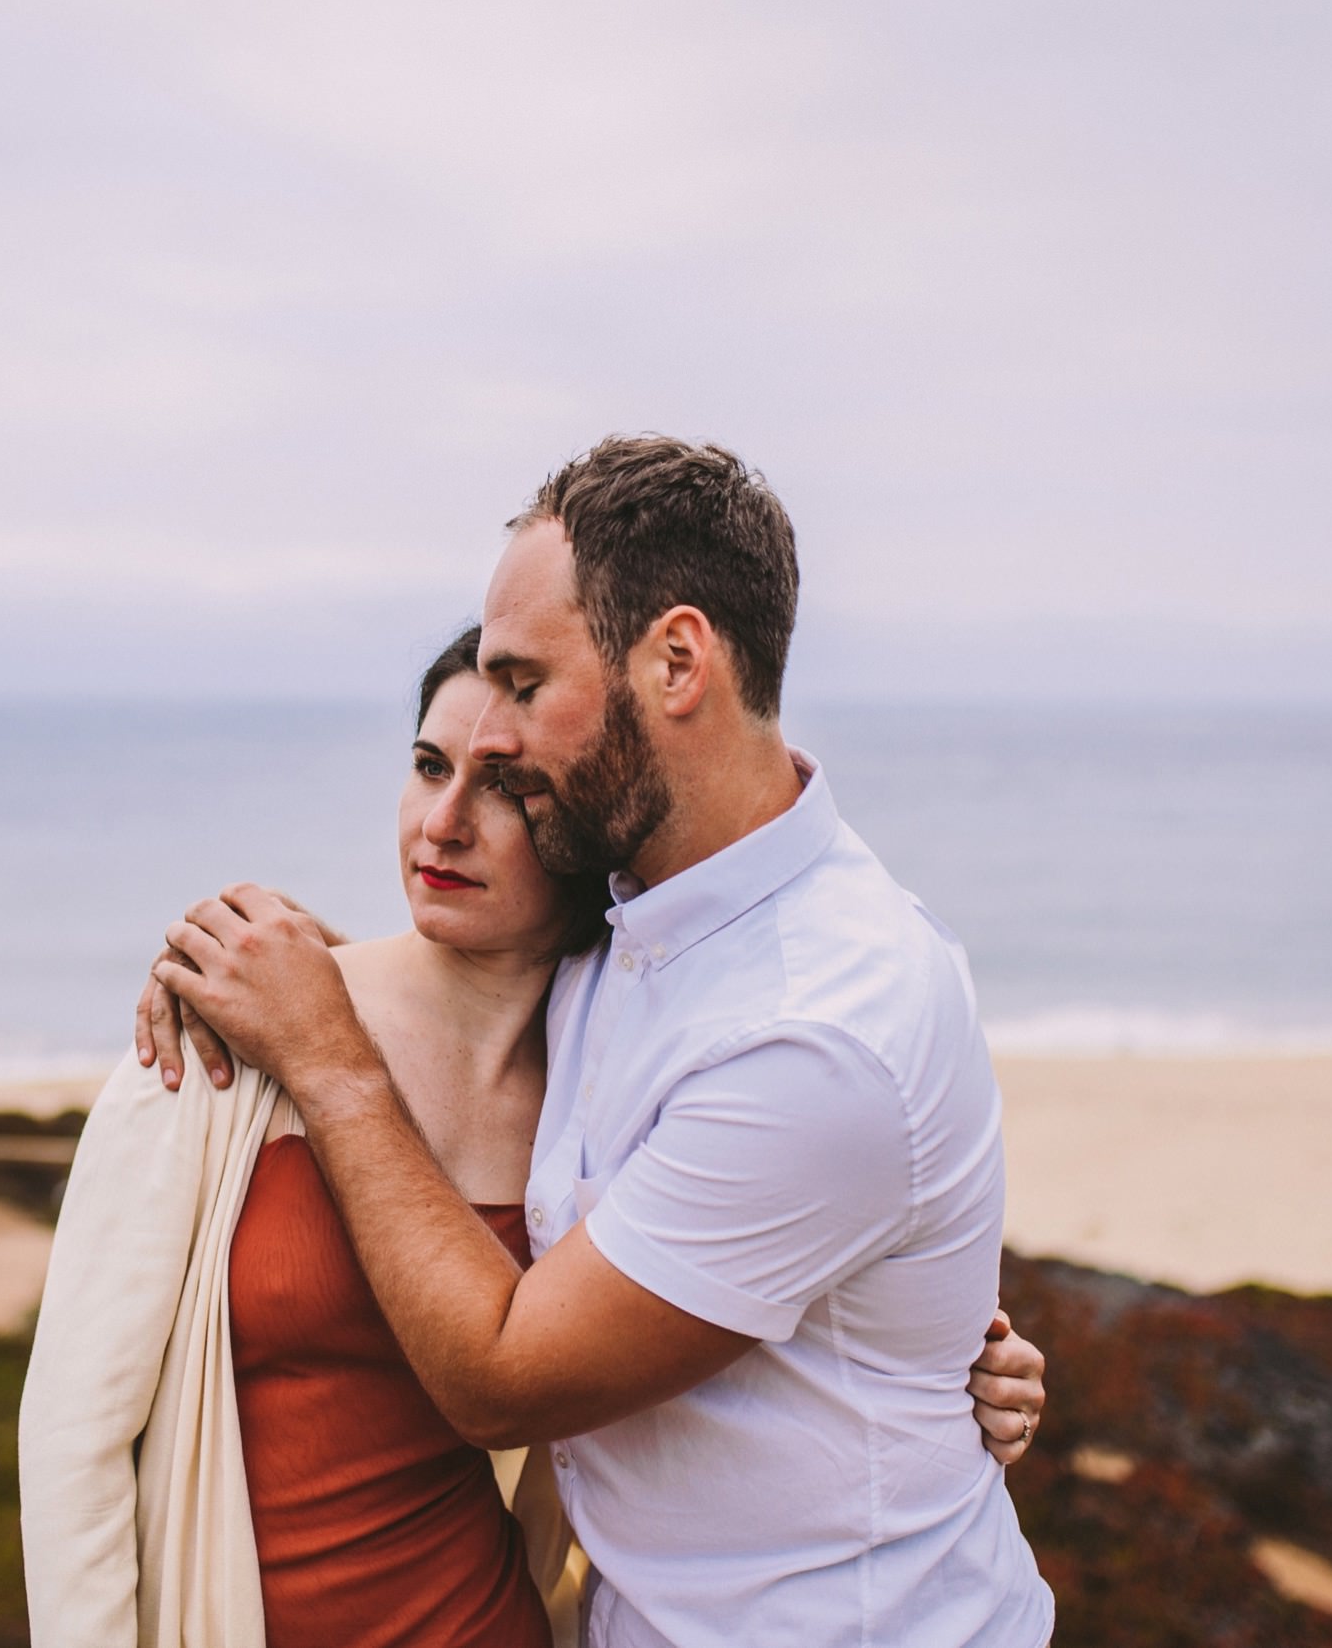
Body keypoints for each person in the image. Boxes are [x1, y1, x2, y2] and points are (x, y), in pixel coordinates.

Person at [139, 436, 1055, 1648]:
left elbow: (503, 1376)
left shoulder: (818, 1022)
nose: (497, 736)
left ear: (677, 661)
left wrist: (326, 1051)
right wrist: (290, 971)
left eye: (524, 684)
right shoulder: (628, 913)